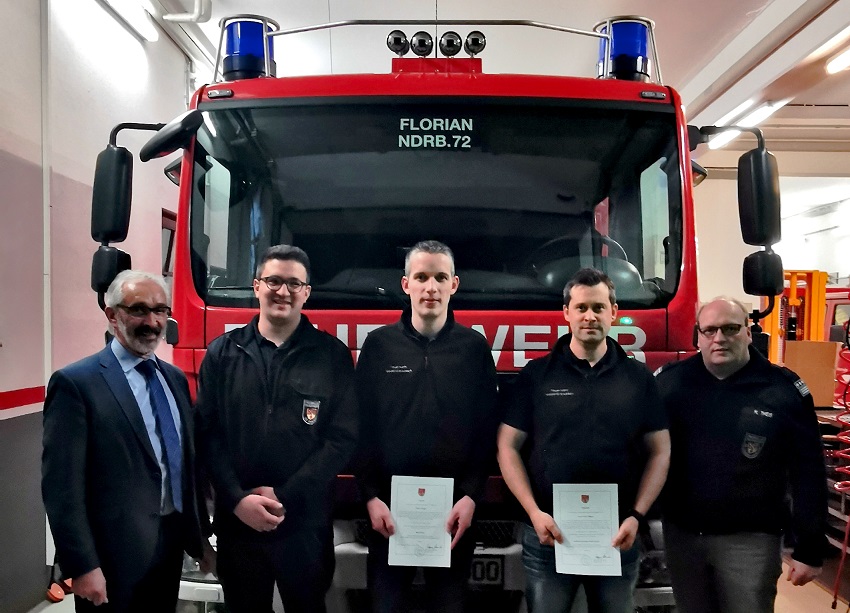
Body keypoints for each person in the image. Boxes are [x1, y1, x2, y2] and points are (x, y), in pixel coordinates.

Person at [195, 244, 358, 613]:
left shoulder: (331, 355)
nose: (282, 291)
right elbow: (207, 434)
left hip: (304, 523)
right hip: (239, 525)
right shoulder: (223, 353)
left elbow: (341, 438)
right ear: (256, 287)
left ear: (306, 292)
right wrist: (236, 499)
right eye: (273, 281)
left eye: (293, 283)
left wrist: (286, 493)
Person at [497, 267, 670, 613]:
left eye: (598, 307)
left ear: (614, 312)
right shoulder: (536, 375)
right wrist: (534, 512)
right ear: (566, 313)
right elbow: (507, 446)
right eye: (581, 308)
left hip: (619, 536)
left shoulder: (638, 379)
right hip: (548, 534)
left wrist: (636, 515)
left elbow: (660, 451)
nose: (589, 316)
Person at [42, 270, 207, 612]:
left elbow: (185, 465)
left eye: (161, 310)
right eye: (139, 310)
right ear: (112, 315)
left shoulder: (174, 379)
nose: (152, 321)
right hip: (110, 559)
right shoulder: (76, 384)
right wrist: (83, 566)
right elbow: (62, 487)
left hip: (170, 544)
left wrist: (199, 538)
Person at [655, 297, 828, 613]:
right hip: (683, 538)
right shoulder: (669, 383)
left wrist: (810, 548)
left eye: (730, 328)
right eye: (709, 330)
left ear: (748, 333)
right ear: (698, 336)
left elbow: (810, 472)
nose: (719, 338)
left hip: (750, 542)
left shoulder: (783, 389)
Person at [355, 240, 499, 613]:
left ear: (454, 284)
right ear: (406, 285)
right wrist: (370, 496)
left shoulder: (474, 349)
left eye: (440, 277)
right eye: (421, 277)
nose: (430, 287)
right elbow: (361, 427)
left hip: (453, 514)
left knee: (450, 607)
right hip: (387, 513)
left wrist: (470, 495)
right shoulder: (378, 346)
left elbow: (486, 431)